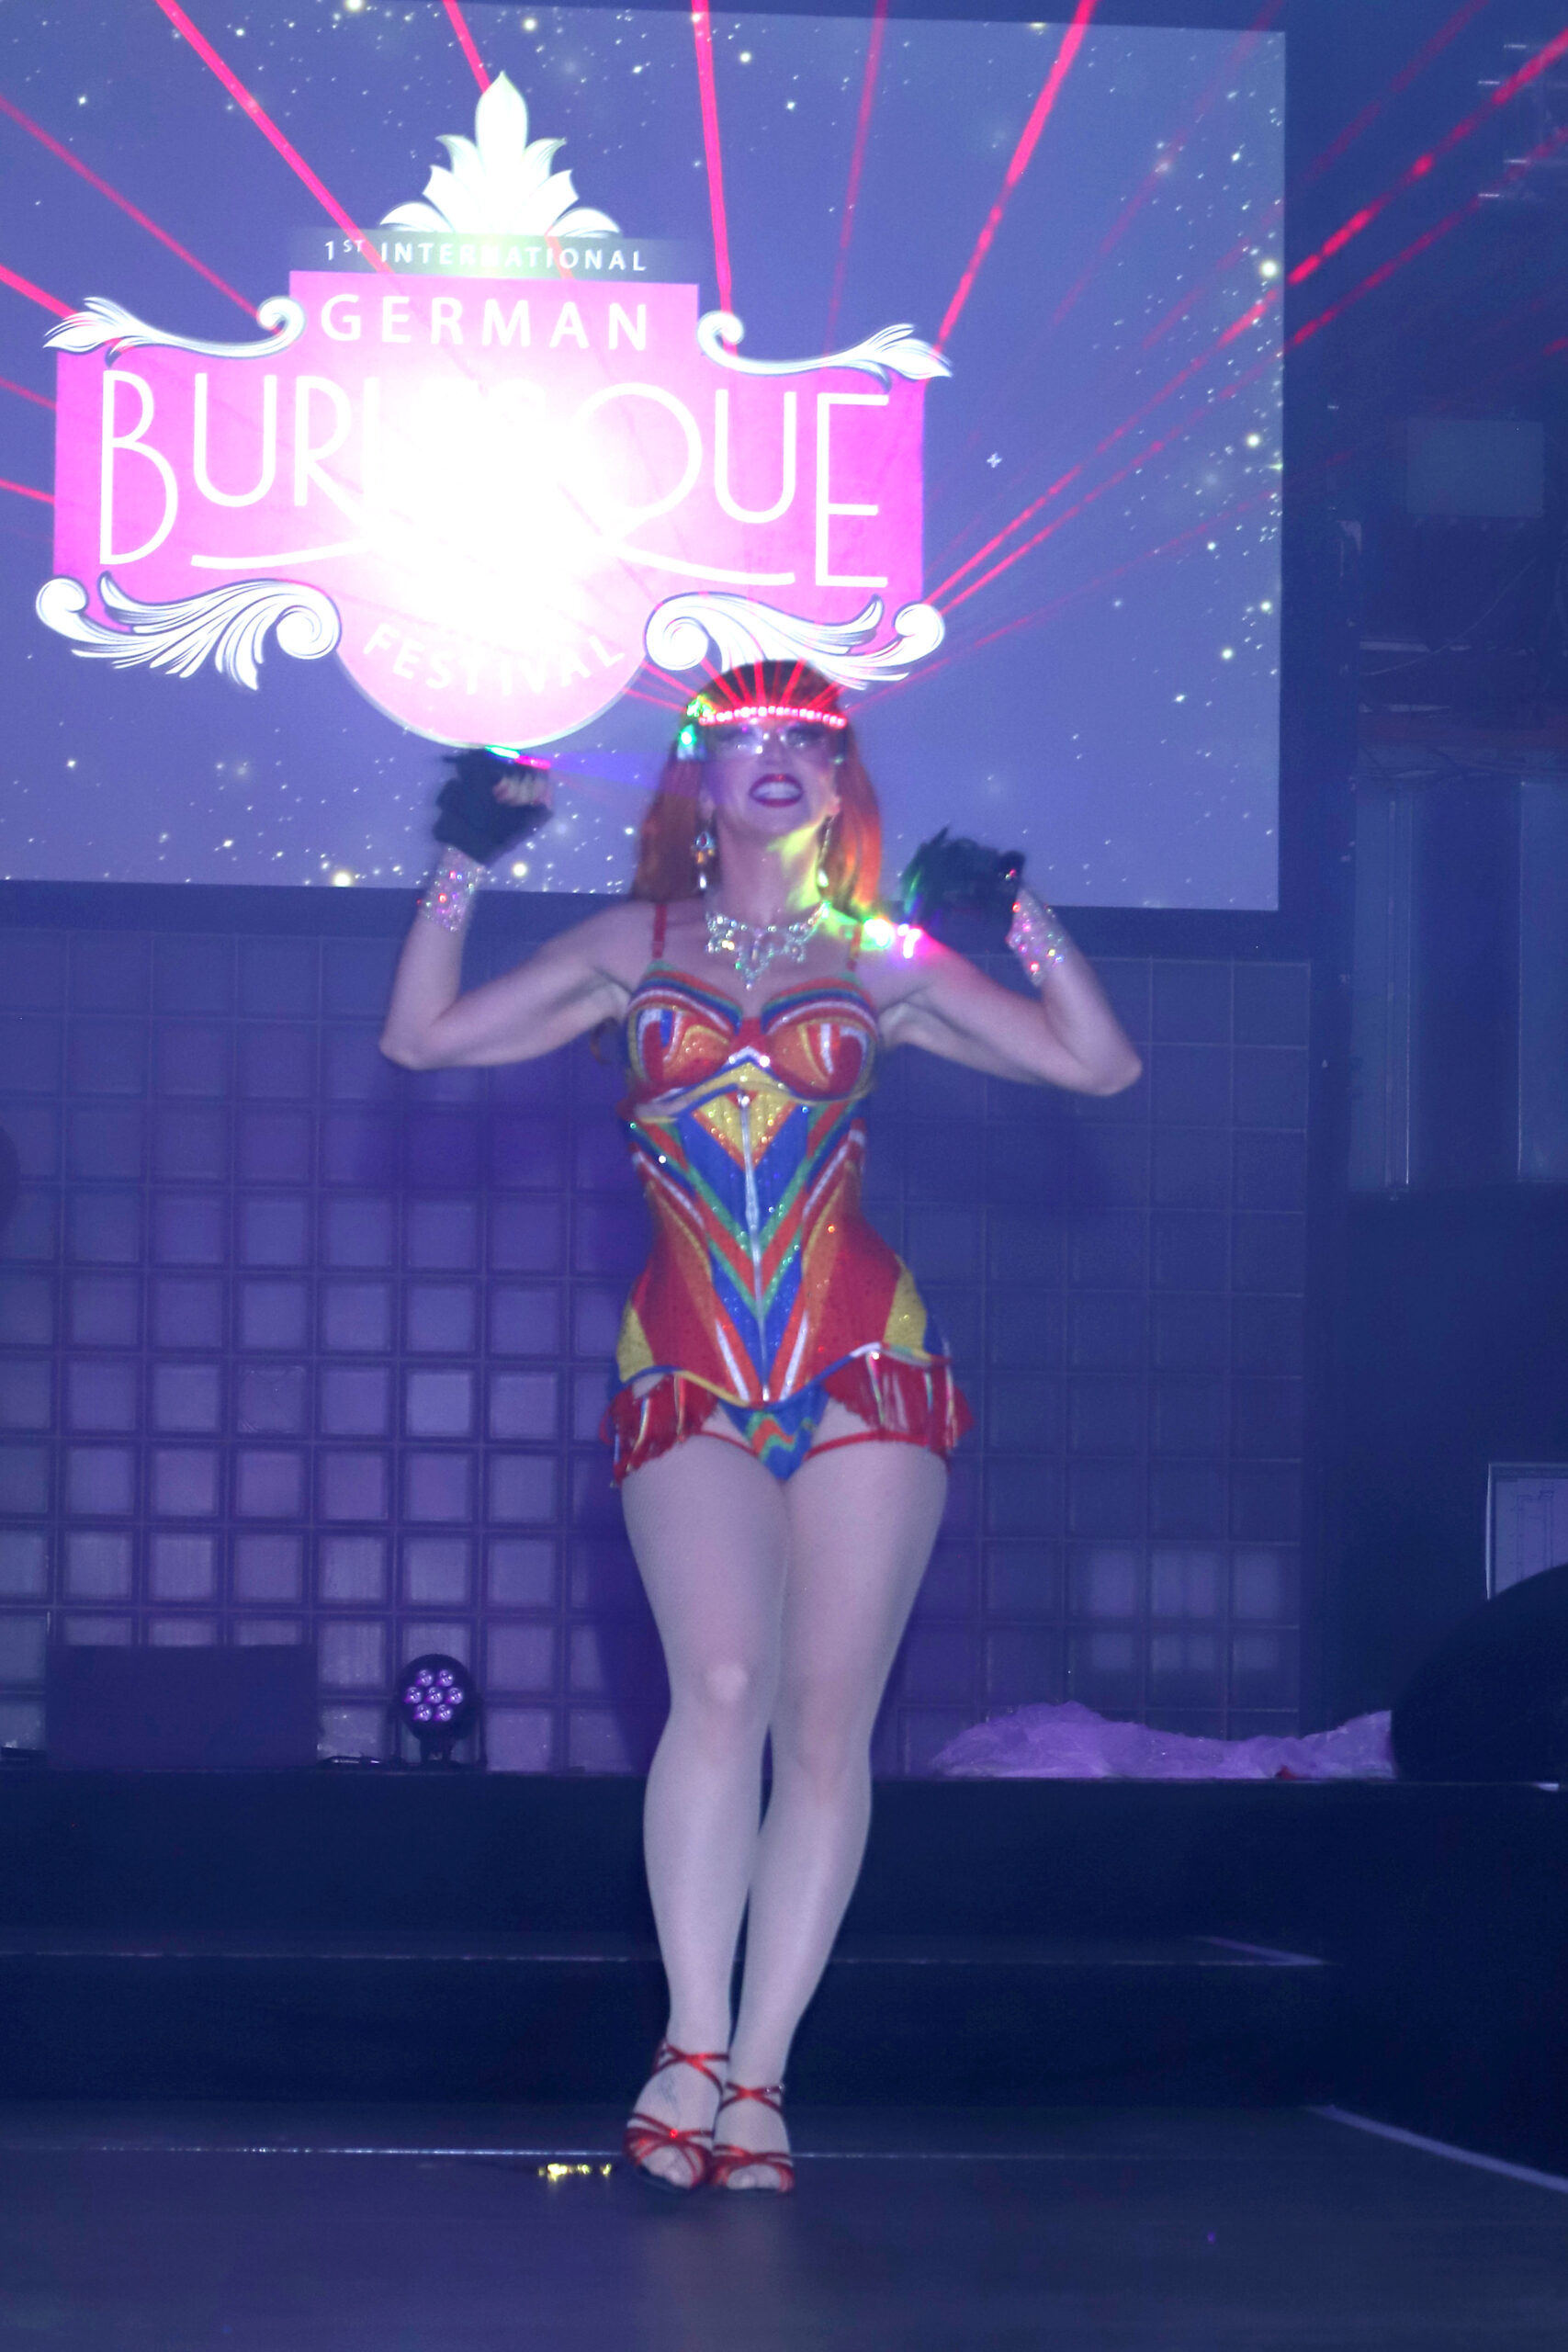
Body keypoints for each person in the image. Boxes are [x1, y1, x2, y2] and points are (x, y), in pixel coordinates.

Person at [381, 662, 1142, 2191]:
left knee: (825, 1723)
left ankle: (762, 2076)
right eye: (744, 740)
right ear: (702, 784)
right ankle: (689, 2041)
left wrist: (1019, 916)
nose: (779, 755)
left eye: (808, 737)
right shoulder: (634, 945)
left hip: (868, 1360)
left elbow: (1098, 1063)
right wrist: (462, 859)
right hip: (687, 1364)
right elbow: (423, 1039)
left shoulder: (881, 957)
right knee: (720, 1682)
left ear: (840, 780)